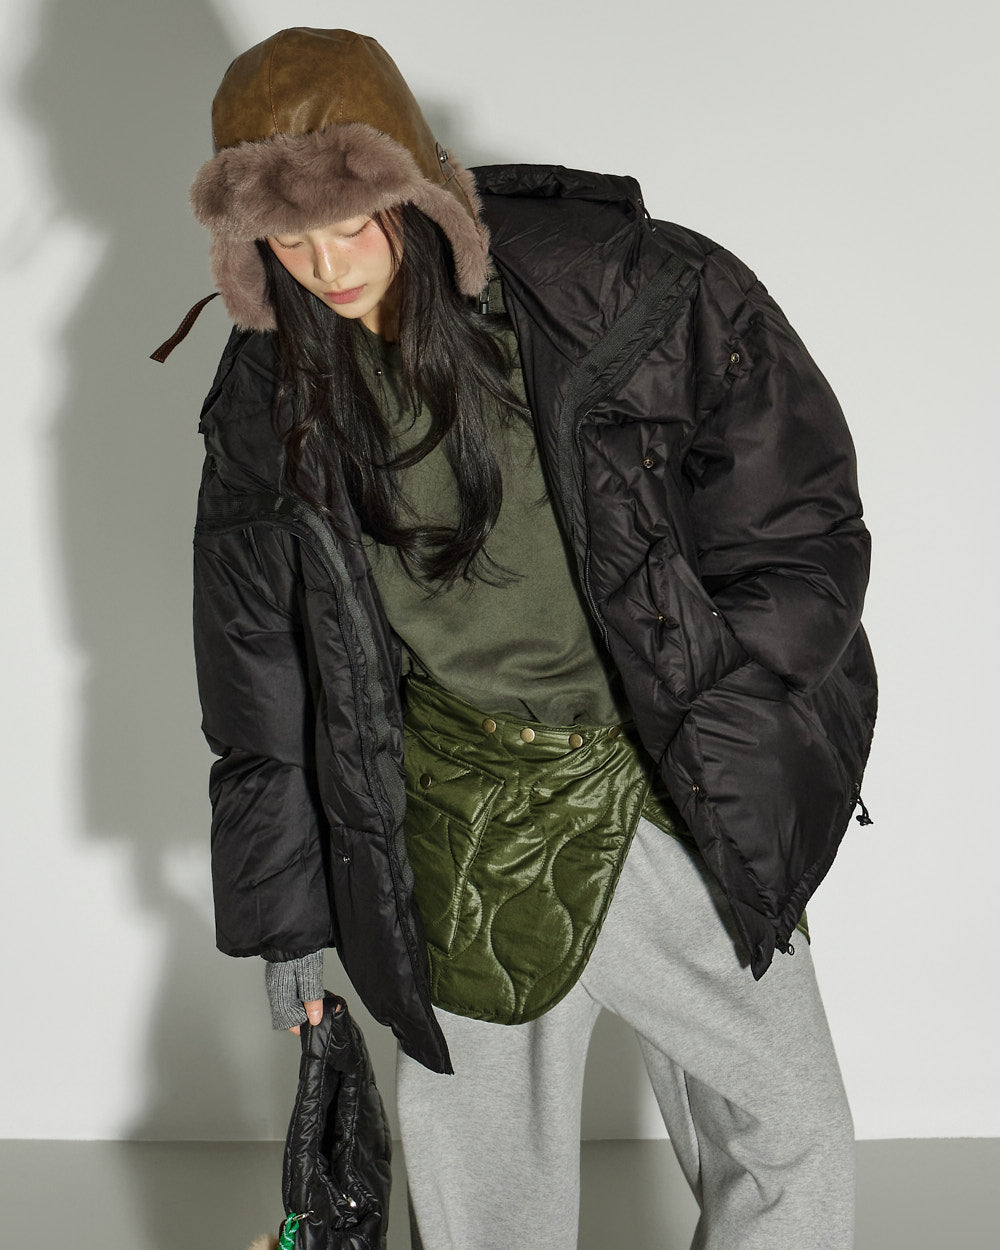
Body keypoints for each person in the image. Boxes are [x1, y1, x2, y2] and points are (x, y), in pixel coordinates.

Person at [183, 26, 876, 1250]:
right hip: (461, 822)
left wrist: (730, 685)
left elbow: (795, 503)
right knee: (486, 1201)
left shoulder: (616, 282)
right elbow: (260, 683)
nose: (326, 265)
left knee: (792, 1136)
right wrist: (286, 921)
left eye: (351, 222)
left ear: (412, 189)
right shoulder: (265, 397)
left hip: (666, 788)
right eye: (287, 241)